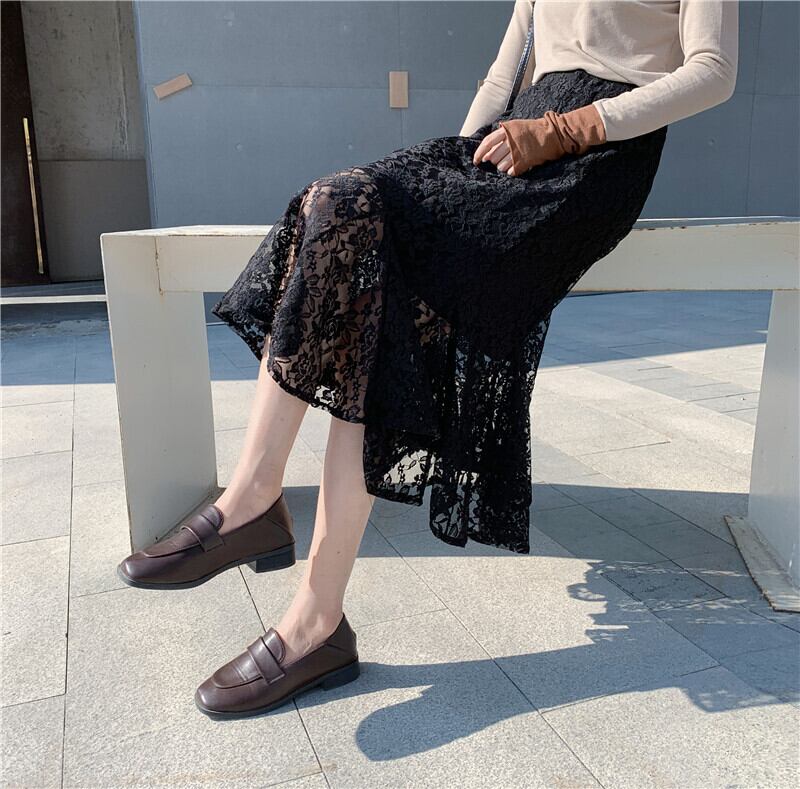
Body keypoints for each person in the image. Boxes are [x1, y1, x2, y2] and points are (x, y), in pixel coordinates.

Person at [116, 0, 739, 720]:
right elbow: (504, 75)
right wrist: (461, 168)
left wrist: (567, 129)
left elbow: (713, 71)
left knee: (370, 273)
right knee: (336, 204)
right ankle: (260, 509)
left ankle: (307, 609)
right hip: (506, 145)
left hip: (596, 156)